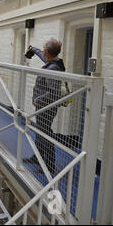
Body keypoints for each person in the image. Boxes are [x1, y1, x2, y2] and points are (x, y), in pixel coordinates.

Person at [23, 38, 66, 175]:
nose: (42, 52)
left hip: (46, 106)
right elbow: (43, 56)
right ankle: (38, 157)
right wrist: (34, 50)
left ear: (47, 51)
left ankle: (49, 165)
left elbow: (54, 92)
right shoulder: (52, 62)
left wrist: (38, 99)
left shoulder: (52, 68)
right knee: (41, 132)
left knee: (45, 134)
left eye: (43, 50)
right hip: (44, 106)